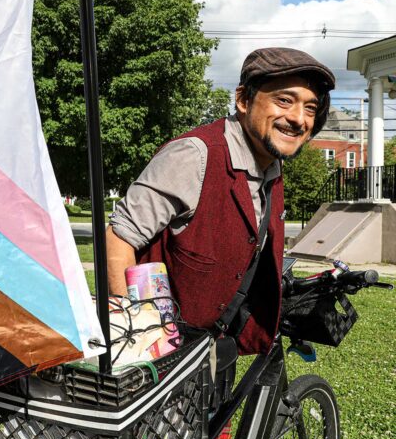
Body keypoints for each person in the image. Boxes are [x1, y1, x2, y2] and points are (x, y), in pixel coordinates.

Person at [106, 47, 335, 355]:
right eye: (284, 100)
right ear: (243, 100)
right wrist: (137, 338)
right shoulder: (195, 155)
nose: (298, 119)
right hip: (158, 355)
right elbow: (118, 239)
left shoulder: (271, 163)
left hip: (209, 344)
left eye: (310, 108)